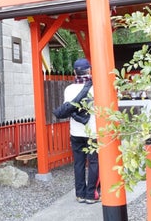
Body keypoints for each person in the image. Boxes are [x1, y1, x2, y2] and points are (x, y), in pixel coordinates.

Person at [64, 58, 100, 204]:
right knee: (93, 162)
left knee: (78, 163)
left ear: (75, 72)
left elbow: (68, 109)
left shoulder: (68, 89)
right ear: (89, 71)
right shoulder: (94, 88)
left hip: (75, 132)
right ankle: (91, 194)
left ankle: (80, 194)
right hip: (92, 131)